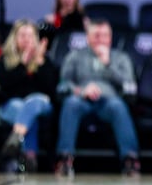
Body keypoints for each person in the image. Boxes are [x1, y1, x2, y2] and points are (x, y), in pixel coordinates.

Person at [55, 19, 140, 176]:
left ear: (111, 37)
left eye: (105, 35)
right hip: (81, 100)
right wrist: (81, 91)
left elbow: (130, 85)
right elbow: (63, 84)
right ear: (88, 37)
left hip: (109, 102)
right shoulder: (75, 56)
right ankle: (65, 158)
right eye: (96, 35)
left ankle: (130, 159)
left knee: (118, 106)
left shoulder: (121, 57)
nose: (101, 39)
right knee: (70, 103)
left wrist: (108, 64)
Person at [0, 19, 59, 172]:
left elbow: (51, 88)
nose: (26, 40)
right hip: (11, 105)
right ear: (14, 39)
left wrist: (38, 61)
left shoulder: (45, 61)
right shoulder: (5, 60)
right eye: (22, 35)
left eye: (30, 36)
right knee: (24, 110)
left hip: (41, 105)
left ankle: (16, 138)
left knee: (34, 102)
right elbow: (6, 86)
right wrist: (23, 62)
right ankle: (30, 157)